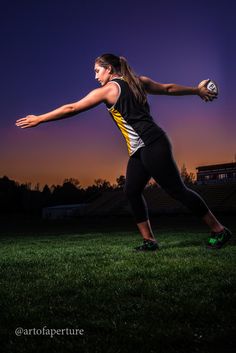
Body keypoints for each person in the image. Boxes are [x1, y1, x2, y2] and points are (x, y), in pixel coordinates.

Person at [16, 53, 232, 251]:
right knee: (131, 191)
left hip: (152, 144)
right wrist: (196, 90)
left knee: (177, 190)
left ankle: (219, 230)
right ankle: (149, 241)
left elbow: (72, 108)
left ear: (109, 69)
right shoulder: (139, 81)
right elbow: (168, 88)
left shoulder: (109, 89)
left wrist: (40, 118)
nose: (95, 76)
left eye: (97, 71)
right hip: (140, 149)